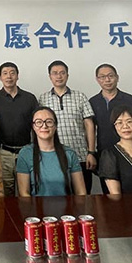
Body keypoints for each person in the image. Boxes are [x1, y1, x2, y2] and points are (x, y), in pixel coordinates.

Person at [88, 63, 132, 193]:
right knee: (110, 193)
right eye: (102, 77)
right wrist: (91, 152)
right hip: (105, 154)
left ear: (117, 77)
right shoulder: (92, 102)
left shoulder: (130, 100)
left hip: (131, 153)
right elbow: (91, 129)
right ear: (97, 79)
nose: (107, 80)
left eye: (110, 76)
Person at [38, 60, 97, 193]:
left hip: (80, 155)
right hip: (53, 157)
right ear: (50, 76)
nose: (59, 76)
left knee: (83, 196)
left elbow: (89, 125)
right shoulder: (43, 99)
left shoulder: (80, 96)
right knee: (59, 196)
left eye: (62, 73)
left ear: (67, 75)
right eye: (55, 73)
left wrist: (91, 152)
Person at [0, 62, 39, 195]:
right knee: (5, 192)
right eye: (5, 73)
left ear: (17, 76)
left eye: (12, 73)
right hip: (3, 153)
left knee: (27, 190)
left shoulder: (30, 98)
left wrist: (36, 148)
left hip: (26, 151)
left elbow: (36, 125)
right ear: (0, 77)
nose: (9, 76)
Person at [16, 107, 86, 197]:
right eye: (38, 122)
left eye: (49, 122)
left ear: (55, 126)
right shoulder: (25, 154)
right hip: (36, 205)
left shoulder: (69, 153)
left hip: (67, 205)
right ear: (33, 127)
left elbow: (81, 192)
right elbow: (24, 193)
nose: (44, 126)